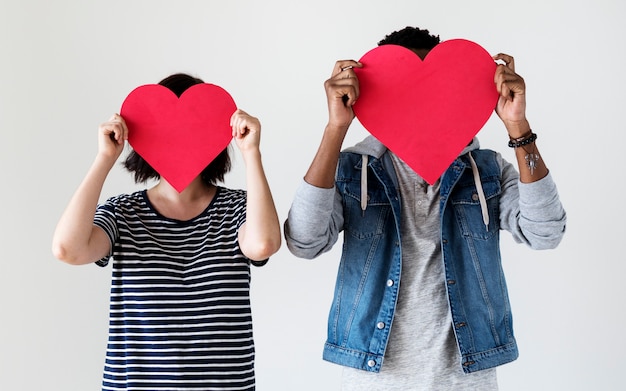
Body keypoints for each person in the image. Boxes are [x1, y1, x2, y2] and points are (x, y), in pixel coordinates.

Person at [284, 26, 567, 390]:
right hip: (373, 375)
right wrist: (335, 128)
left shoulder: (487, 170)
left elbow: (545, 233)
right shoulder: (353, 169)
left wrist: (517, 125)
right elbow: (304, 241)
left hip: (468, 377)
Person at [52, 73, 281, 390]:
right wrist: (105, 158)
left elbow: (263, 244)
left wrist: (251, 152)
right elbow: (68, 249)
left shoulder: (238, 207)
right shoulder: (123, 212)